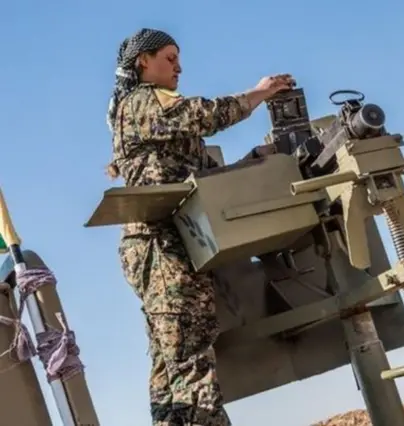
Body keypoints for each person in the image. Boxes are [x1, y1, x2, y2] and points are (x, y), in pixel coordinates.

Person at [105, 28, 295, 426]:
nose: (179, 67)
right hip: (161, 247)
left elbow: (204, 174)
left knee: (170, 365)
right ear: (143, 62)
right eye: (170, 58)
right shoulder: (143, 101)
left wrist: (256, 159)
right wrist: (259, 93)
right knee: (190, 358)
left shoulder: (157, 122)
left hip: (161, 246)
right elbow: (204, 115)